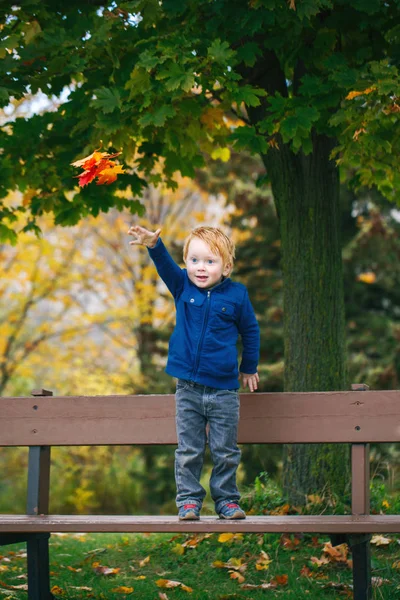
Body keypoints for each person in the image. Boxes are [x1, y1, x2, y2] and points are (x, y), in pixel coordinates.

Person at [128, 224, 260, 520]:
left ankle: (227, 501)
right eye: (194, 260)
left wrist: (248, 367)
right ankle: (188, 501)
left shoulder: (237, 296)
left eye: (210, 262)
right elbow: (165, 266)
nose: (201, 268)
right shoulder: (182, 287)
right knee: (189, 450)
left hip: (224, 391)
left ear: (226, 267)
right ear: (186, 262)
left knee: (225, 450)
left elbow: (250, 331)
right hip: (188, 388)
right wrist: (154, 245)